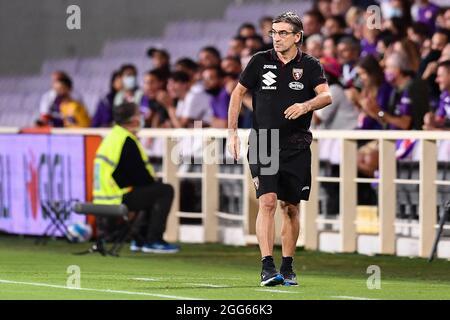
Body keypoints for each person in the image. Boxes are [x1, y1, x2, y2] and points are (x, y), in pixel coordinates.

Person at [227, 12, 332, 287]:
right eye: (274, 32)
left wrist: (306, 105)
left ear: (297, 36)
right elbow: (238, 92)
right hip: (263, 141)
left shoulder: (310, 65)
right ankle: (266, 266)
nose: (277, 37)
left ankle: (287, 266)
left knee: (291, 208)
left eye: (284, 33)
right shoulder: (260, 61)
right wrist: (232, 133)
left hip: (296, 145)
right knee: (268, 201)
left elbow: (326, 95)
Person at [93, 102, 178, 253]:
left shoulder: (112, 137)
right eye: (139, 114)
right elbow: (139, 176)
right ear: (133, 120)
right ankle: (153, 240)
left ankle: (140, 240)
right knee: (164, 190)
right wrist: (153, 181)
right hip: (116, 197)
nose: (142, 118)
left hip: (103, 197)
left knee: (150, 191)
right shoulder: (126, 140)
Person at [423, 60, 450, 130]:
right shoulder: (445, 95)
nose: (436, 80)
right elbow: (441, 119)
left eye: (439, 76)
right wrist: (433, 120)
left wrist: (435, 130)